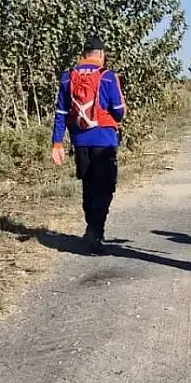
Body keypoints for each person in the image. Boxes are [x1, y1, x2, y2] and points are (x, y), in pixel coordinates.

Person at [52, 36, 126, 255]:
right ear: (101, 54)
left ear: (83, 54)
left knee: (88, 185)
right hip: (104, 139)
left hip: (80, 139)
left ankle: (92, 227)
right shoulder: (108, 77)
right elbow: (119, 110)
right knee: (105, 187)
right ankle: (95, 229)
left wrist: (57, 142)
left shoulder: (68, 77)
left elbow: (61, 113)